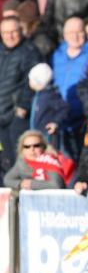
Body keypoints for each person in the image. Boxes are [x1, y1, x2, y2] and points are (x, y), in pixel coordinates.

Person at [0, 14, 40, 175]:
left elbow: (32, 83)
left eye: (13, 31)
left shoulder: (30, 51)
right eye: (5, 33)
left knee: (18, 159)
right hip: (1, 114)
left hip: (16, 115)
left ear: (21, 31)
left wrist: (22, 107)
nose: (9, 36)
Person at [51, 17, 88, 158]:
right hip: (59, 119)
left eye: (79, 32)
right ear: (64, 35)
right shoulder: (57, 55)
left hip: (81, 118)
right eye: (70, 33)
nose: (75, 36)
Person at [27, 63, 68, 151]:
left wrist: (55, 122)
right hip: (37, 135)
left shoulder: (50, 95)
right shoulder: (38, 95)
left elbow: (64, 108)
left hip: (47, 137)